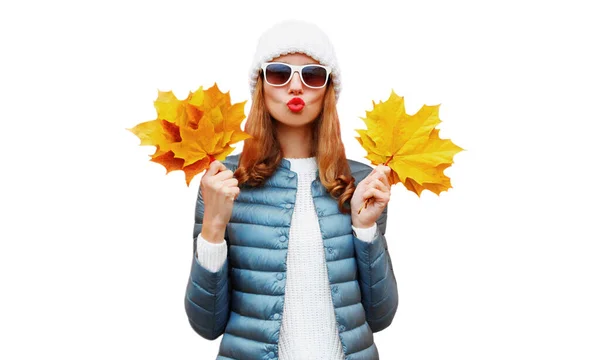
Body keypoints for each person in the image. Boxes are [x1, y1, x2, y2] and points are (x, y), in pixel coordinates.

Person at [184, 19, 398, 360]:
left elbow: (381, 316)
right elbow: (206, 324)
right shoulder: (225, 180)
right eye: (279, 73)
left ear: (327, 89)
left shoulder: (359, 182)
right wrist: (212, 229)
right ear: (261, 85)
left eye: (312, 75)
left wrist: (366, 229)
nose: (295, 87)